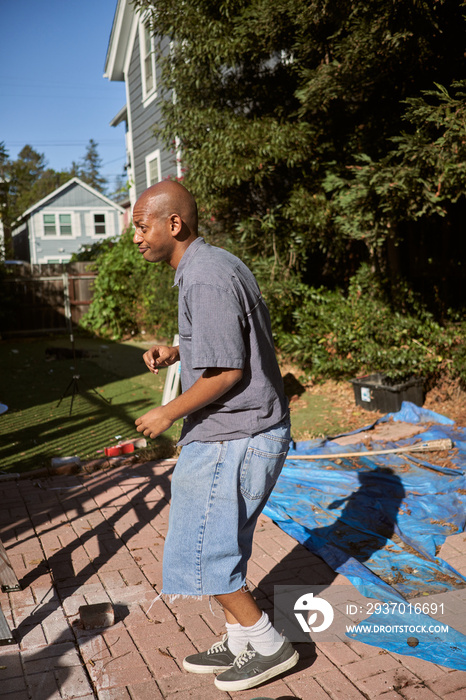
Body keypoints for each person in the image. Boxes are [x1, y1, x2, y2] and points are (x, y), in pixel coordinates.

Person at [133, 180, 299, 692]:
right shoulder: (212, 264)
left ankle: (268, 644)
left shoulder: (202, 276)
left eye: (142, 226)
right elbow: (222, 338)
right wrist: (178, 351)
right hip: (243, 429)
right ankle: (240, 639)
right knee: (223, 541)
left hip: (236, 433)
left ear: (173, 224)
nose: (136, 238)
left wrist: (167, 412)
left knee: (200, 548)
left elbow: (227, 372)